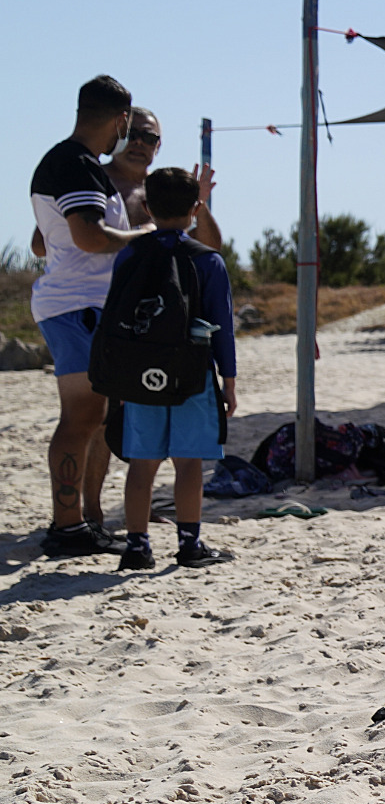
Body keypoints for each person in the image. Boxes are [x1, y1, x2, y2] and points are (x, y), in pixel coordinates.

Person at [30, 75, 146, 556]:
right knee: (81, 417)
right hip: (77, 307)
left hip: (74, 303)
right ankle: (66, 526)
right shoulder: (77, 165)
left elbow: (42, 242)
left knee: (89, 415)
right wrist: (144, 236)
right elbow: (91, 238)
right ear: (120, 119)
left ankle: (73, 522)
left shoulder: (70, 163)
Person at [101, 167, 235, 572]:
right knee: (189, 461)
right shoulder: (208, 260)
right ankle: (189, 543)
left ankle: (137, 546)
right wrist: (228, 383)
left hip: (141, 375)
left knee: (142, 463)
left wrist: (116, 379)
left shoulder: (130, 254)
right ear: (196, 208)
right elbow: (223, 327)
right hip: (192, 374)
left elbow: (116, 319)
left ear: (145, 206)